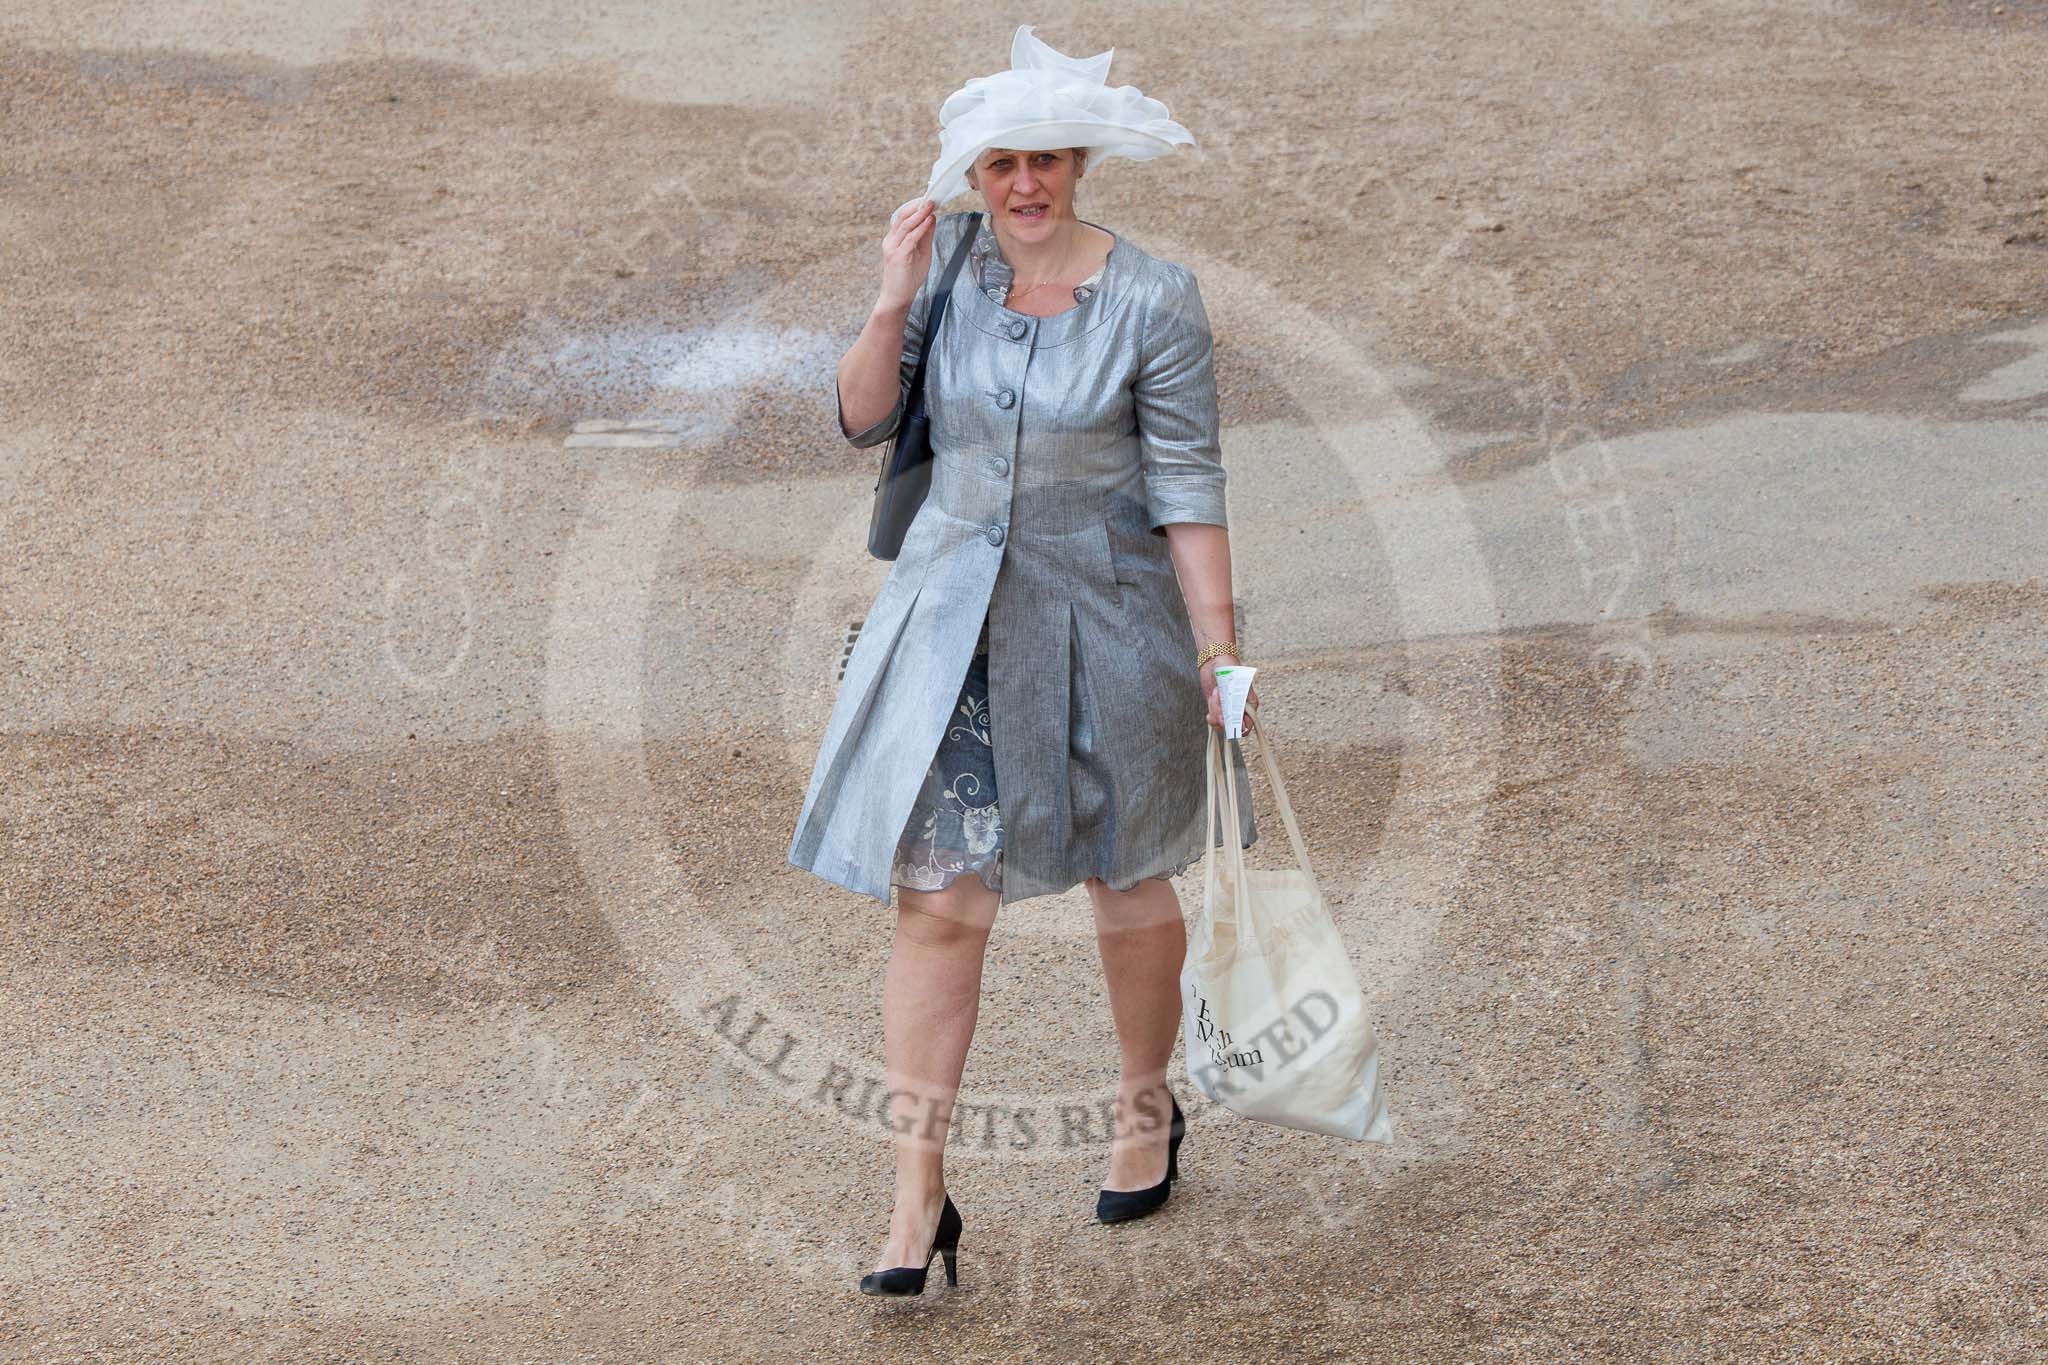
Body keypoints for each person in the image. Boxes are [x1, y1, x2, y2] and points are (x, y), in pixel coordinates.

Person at [783, 24, 1262, 1298]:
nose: (1024, 185)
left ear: (1078, 164)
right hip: (948, 630)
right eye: (999, 165)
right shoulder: (941, 270)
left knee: (1126, 881)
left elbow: (1186, 482)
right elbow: (861, 417)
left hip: (1110, 625)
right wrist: (889, 297)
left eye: (1044, 160)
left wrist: (1218, 649)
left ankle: (1145, 1105)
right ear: (973, 174)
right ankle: (914, 1199)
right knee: (937, 903)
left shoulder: (1154, 297)